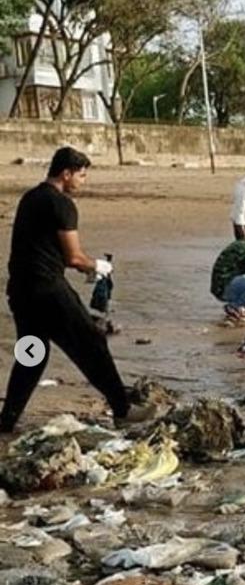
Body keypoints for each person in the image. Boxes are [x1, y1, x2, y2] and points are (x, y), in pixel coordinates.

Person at [0, 147, 154, 433]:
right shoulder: (62, 204)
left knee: (32, 353)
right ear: (66, 173)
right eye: (81, 176)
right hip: (48, 289)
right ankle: (122, 409)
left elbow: (40, 247)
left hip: (21, 290)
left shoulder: (30, 197)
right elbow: (73, 257)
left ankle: (7, 419)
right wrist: (96, 267)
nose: (83, 182)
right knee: (91, 342)